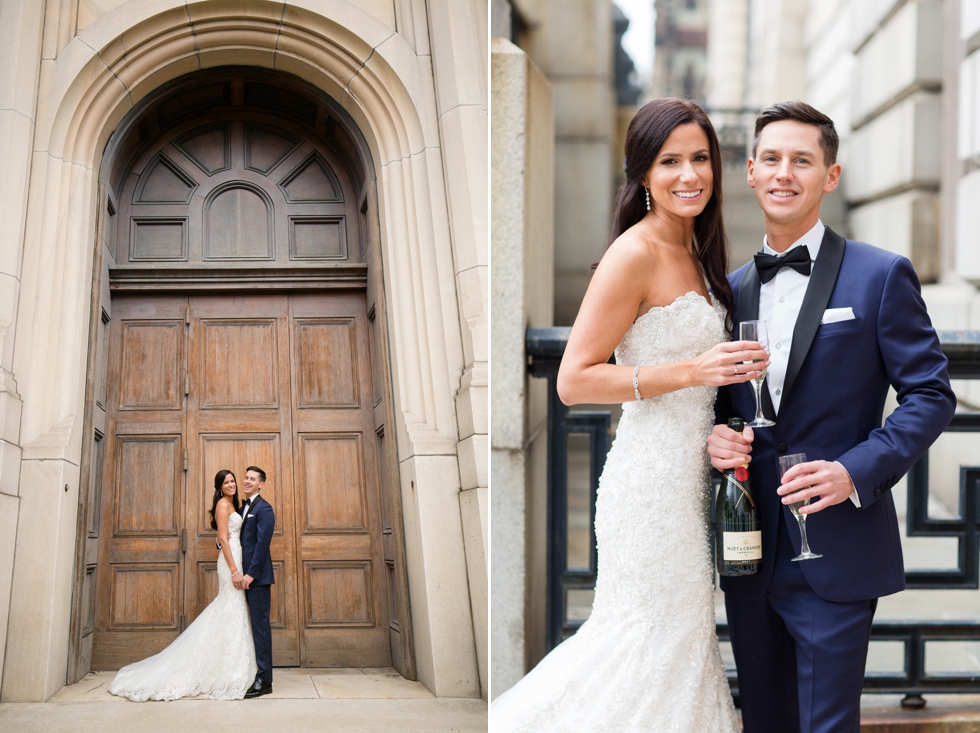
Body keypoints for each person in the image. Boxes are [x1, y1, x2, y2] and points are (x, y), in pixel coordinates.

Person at [490, 98, 769, 731]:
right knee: (643, 645)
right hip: (648, 491)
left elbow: (703, 396)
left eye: (700, 159)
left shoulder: (698, 250)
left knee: (681, 649)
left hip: (694, 484)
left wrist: (718, 429)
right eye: (670, 161)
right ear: (643, 173)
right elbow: (573, 380)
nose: (689, 174)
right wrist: (692, 371)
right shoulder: (634, 252)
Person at [707, 100, 956, 733]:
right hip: (749, 549)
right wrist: (716, 436)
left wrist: (852, 471)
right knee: (764, 720)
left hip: (837, 541)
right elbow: (722, 408)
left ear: (830, 175)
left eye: (802, 160)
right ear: (751, 172)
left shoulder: (880, 276)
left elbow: (930, 395)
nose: (784, 172)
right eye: (771, 159)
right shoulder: (728, 290)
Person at [109, 470, 257, 701]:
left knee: (233, 609)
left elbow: (227, 537)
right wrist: (235, 570)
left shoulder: (232, 504)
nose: (232, 484)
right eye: (226, 482)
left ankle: (229, 664)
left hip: (236, 557)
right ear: (219, 487)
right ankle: (223, 669)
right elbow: (223, 539)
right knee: (230, 606)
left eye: (232, 481)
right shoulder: (222, 505)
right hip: (231, 564)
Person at [237, 465, 276, 698]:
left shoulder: (264, 508)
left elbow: (262, 545)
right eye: (246, 477)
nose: (247, 481)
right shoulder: (243, 507)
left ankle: (264, 680)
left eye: (252, 479)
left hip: (256, 579)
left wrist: (251, 574)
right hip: (239, 578)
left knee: (260, 629)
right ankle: (250, 672)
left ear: (261, 484)